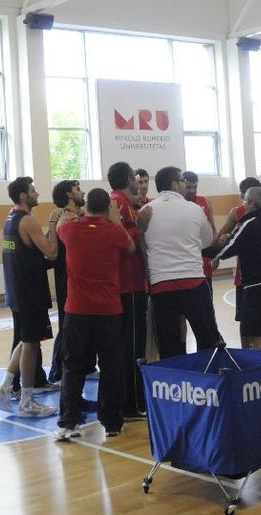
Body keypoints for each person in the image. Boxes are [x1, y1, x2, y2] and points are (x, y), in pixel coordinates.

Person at [55, 189, 135, 440]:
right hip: (108, 311)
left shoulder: (70, 230)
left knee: (73, 366)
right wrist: (115, 219)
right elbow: (131, 247)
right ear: (107, 208)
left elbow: (58, 224)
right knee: (111, 366)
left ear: (88, 206)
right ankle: (111, 422)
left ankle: (68, 422)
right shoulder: (113, 231)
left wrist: (77, 213)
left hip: (77, 311)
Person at [0, 177, 59, 417]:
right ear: (23, 196)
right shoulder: (28, 220)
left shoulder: (9, 218)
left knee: (24, 339)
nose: (37, 194)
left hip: (17, 291)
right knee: (31, 344)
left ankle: (5, 386)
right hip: (30, 291)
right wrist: (53, 225)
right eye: (33, 190)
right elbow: (51, 253)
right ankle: (27, 400)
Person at [138, 166, 222, 357]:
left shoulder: (145, 211)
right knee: (208, 338)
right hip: (193, 281)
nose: (186, 185)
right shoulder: (193, 208)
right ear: (175, 184)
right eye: (183, 181)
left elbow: (142, 244)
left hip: (161, 286)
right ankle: (207, 381)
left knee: (169, 343)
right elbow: (207, 241)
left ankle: (175, 383)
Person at [205, 187, 261, 352]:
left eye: (245, 200)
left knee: (257, 336)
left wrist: (204, 252)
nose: (243, 203)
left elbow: (226, 251)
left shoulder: (248, 224)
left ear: (251, 203)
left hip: (257, 286)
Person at [216, 177, 261, 324]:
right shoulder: (242, 212)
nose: (241, 196)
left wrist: (212, 251)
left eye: (243, 193)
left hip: (254, 276)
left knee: (251, 328)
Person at [107, 162, 147, 419]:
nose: (138, 181)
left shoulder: (124, 202)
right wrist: (142, 226)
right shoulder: (119, 203)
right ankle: (130, 404)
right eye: (135, 176)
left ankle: (129, 401)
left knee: (128, 345)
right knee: (131, 346)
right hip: (129, 284)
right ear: (127, 178)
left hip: (130, 283)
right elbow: (125, 240)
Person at [47, 180, 88, 386]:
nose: (82, 193)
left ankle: (87, 366)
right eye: (78, 190)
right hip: (67, 281)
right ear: (69, 195)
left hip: (83, 282)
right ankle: (57, 372)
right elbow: (51, 253)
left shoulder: (82, 216)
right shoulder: (61, 218)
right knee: (67, 327)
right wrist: (54, 225)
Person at [182, 171, 216, 288]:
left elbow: (212, 229)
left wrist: (215, 254)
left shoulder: (205, 202)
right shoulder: (178, 204)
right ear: (182, 185)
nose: (192, 190)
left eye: (195, 187)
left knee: (207, 299)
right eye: (188, 187)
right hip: (186, 260)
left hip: (204, 259)